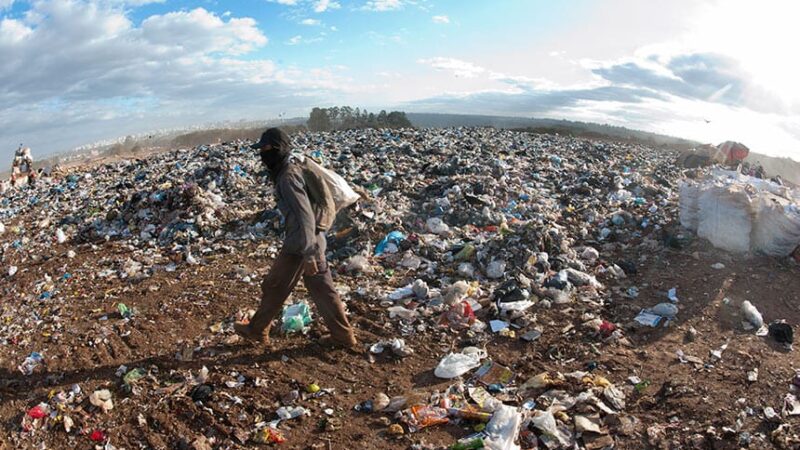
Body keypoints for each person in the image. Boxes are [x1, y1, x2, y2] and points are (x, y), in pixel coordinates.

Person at [233, 128, 357, 349]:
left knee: (321, 287)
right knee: (275, 284)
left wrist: (309, 253)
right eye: (260, 149)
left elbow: (305, 215)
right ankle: (257, 329)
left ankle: (343, 336)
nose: (262, 154)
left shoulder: (288, 176)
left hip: (307, 242)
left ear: (278, 149)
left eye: (266, 148)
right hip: (298, 239)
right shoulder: (285, 171)